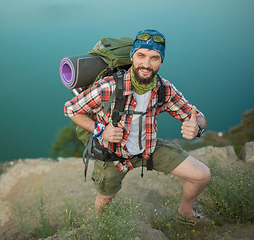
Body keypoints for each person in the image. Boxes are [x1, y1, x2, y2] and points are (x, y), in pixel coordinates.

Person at [63, 29, 211, 223]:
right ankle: (102, 226)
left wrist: (197, 127)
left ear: (161, 61)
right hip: (113, 155)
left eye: (154, 58)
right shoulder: (109, 87)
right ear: (132, 57)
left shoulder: (163, 89)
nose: (146, 64)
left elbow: (197, 116)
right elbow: (71, 109)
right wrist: (101, 130)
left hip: (148, 150)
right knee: (105, 198)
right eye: (141, 55)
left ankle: (185, 211)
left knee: (201, 175)